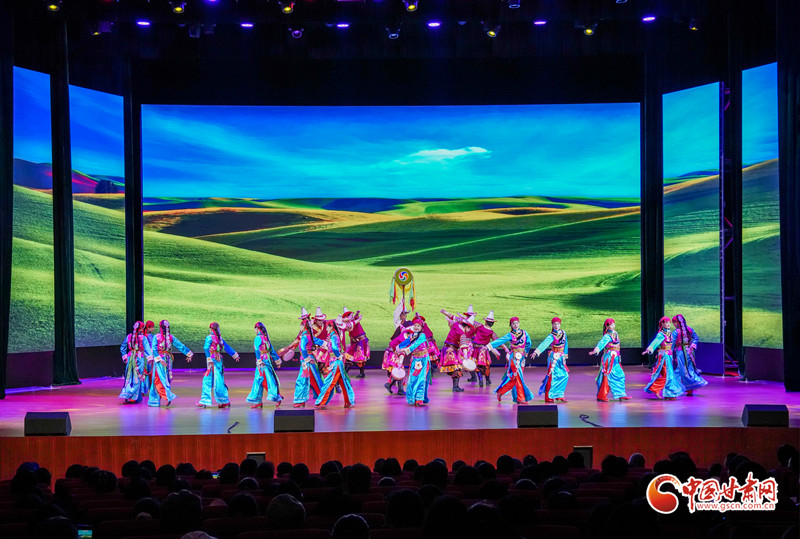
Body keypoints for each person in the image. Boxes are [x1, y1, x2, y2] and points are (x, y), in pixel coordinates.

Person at [485, 316, 534, 404]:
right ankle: (521, 398)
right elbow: (500, 341)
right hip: (514, 358)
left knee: (515, 378)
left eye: (517, 323)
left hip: (521, 357)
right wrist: (488, 346)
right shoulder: (510, 335)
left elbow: (528, 343)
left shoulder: (524, 333)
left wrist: (526, 352)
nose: (515, 325)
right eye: (513, 324)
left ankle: (502, 392)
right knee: (518, 377)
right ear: (511, 325)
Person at [148, 319, 193, 407]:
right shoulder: (170, 337)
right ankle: (156, 400)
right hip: (168, 359)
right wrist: (189, 353)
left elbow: (154, 349)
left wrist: (159, 359)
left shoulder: (156, 337)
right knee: (165, 378)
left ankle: (166, 396)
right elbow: (180, 346)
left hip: (160, 360)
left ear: (160, 327)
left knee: (158, 379)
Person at [315, 317, 355, 409]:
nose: (326, 329)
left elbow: (334, 348)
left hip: (336, 362)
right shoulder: (332, 336)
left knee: (329, 382)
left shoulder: (333, 336)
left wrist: (338, 355)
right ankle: (348, 401)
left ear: (331, 327)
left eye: (327, 327)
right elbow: (325, 345)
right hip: (336, 362)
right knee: (343, 382)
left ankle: (322, 402)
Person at [197, 322, 239, 408]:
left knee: (207, 380)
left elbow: (206, 348)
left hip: (212, 360)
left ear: (211, 329)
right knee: (219, 381)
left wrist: (208, 359)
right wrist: (235, 355)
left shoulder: (209, 337)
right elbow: (226, 347)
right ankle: (224, 401)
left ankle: (205, 400)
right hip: (219, 360)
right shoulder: (219, 338)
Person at [642, 316, 685, 400]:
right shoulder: (661, 334)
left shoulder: (669, 332)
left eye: (669, 323)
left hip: (669, 355)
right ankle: (661, 390)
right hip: (664, 356)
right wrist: (649, 349)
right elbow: (655, 342)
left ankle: (664, 391)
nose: (668, 324)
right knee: (668, 375)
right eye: (666, 323)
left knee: (669, 374)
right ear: (662, 324)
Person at [589, 318, 630, 402]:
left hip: (616, 358)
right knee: (606, 376)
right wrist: (596, 349)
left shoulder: (615, 333)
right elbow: (602, 343)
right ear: (607, 327)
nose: (613, 326)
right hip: (609, 358)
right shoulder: (607, 336)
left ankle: (620, 394)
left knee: (620, 374)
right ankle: (602, 395)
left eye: (614, 324)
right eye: (611, 325)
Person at [531, 317, 569, 403]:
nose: (556, 326)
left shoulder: (563, 333)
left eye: (558, 324)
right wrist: (537, 351)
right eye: (554, 324)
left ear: (560, 324)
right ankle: (548, 396)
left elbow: (565, 344)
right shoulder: (551, 336)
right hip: (554, 358)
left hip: (561, 357)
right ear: (552, 325)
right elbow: (544, 344)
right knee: (552, 376)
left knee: (564, 375)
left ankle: (559, 395)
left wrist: (565, 356)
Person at [246, 322, 283, 408]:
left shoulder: (258, 338)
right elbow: (271, 350)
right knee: (259, 380)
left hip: (262, 361)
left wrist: (259, 360)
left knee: (266, 380)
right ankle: (257, 401)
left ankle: (276, 397)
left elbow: (257, 350)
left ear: (257, 329)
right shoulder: (265, 338)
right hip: (266, 359)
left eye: (255, 329)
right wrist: (278, 361)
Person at [292, 308, 324, 407]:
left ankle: (300, 401)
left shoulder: (305, 335)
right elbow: (318, 341)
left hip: (307, 361)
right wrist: (327, 344)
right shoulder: (308, 335)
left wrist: (306, 359)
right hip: (309, 359)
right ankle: (322, 398)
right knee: (314, 379)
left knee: (303, 380)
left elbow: (302, 347)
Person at [396, 315, 431, 406]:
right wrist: (398, 347)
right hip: (415, 360)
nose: (416, 327)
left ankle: (419, 399)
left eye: (418, 326)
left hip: (423, 360)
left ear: (421, 328)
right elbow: (406, 342)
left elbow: (414, 345)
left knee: (421, 379)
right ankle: (412, 398)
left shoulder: (422, 336)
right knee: (412, 379)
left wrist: (404, 350)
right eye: (415, 325)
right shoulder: (412, 335)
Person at [670, 314, 708, 396]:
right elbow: (695, 338)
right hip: (690, 352)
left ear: (678, 322)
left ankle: (689, 386)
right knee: (685, 369)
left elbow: (672, 344)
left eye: (675, 322)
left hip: (681, 352)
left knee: (683, 370)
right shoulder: (689, 329)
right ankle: (686, 388)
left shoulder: (676, 332)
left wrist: (669, 353)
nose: (674, 324)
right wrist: (693, 345)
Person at [439, 309, 475, 392]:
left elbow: (452, 316)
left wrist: (445, 312)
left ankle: (455, 386)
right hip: (451, 351)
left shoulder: (456, 324)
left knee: (455, 369)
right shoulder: (462, 334)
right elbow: (464, 345)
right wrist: (465, 356)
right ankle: (455, 387)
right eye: (469, 328)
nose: (469, 331)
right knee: (457, 369)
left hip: (447, 349)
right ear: (467, 327)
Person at [471, 310, 505, 387]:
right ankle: (487, 380)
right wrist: (505, 348)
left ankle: (480, 379)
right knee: (486, 366)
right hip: (484, 351)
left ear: (485, 322)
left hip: (476, 350)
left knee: (476, 365)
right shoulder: (491, 333)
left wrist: (473, 315)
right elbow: (498, 341)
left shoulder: (479, 326)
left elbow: (471, 321)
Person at [119, 321, 150, 404]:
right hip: (139, 358)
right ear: (141, 329)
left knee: (129, 376)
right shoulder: (143, 338)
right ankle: (132, 396)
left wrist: (125, 356)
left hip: (130, 357)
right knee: (137, 376)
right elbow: (147, 349)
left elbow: (123, 347)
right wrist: (150, 358)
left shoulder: (129, 336)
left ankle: (129, 394)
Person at [342, 308, 370, 379]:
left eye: (348, 315)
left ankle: (360, 373)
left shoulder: (353, 321)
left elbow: (355, 318)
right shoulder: (349, 324)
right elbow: (351, 337)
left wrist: (357, 314)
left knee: (359, 358)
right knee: (349, 356)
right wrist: (350, 344)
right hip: (356, 342)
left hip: (361, 341)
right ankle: (345, 375)